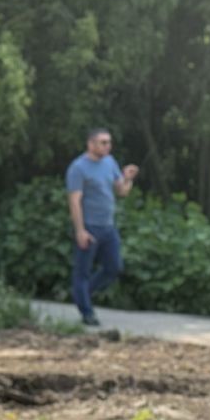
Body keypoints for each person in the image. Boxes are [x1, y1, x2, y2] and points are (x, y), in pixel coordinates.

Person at [66, 127, 138, 327]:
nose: (107, 146)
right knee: (82, 271)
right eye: (103, 142)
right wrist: (80, 230)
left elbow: (122, 191)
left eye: (109, 142)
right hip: (89, 226)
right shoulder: (78, 168)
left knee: (114, 267)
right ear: (91, 144)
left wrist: (128, 178)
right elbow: (74, 201)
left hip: (108, 226)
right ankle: (87, 312)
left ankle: (82, 294)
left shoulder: (110, 162)